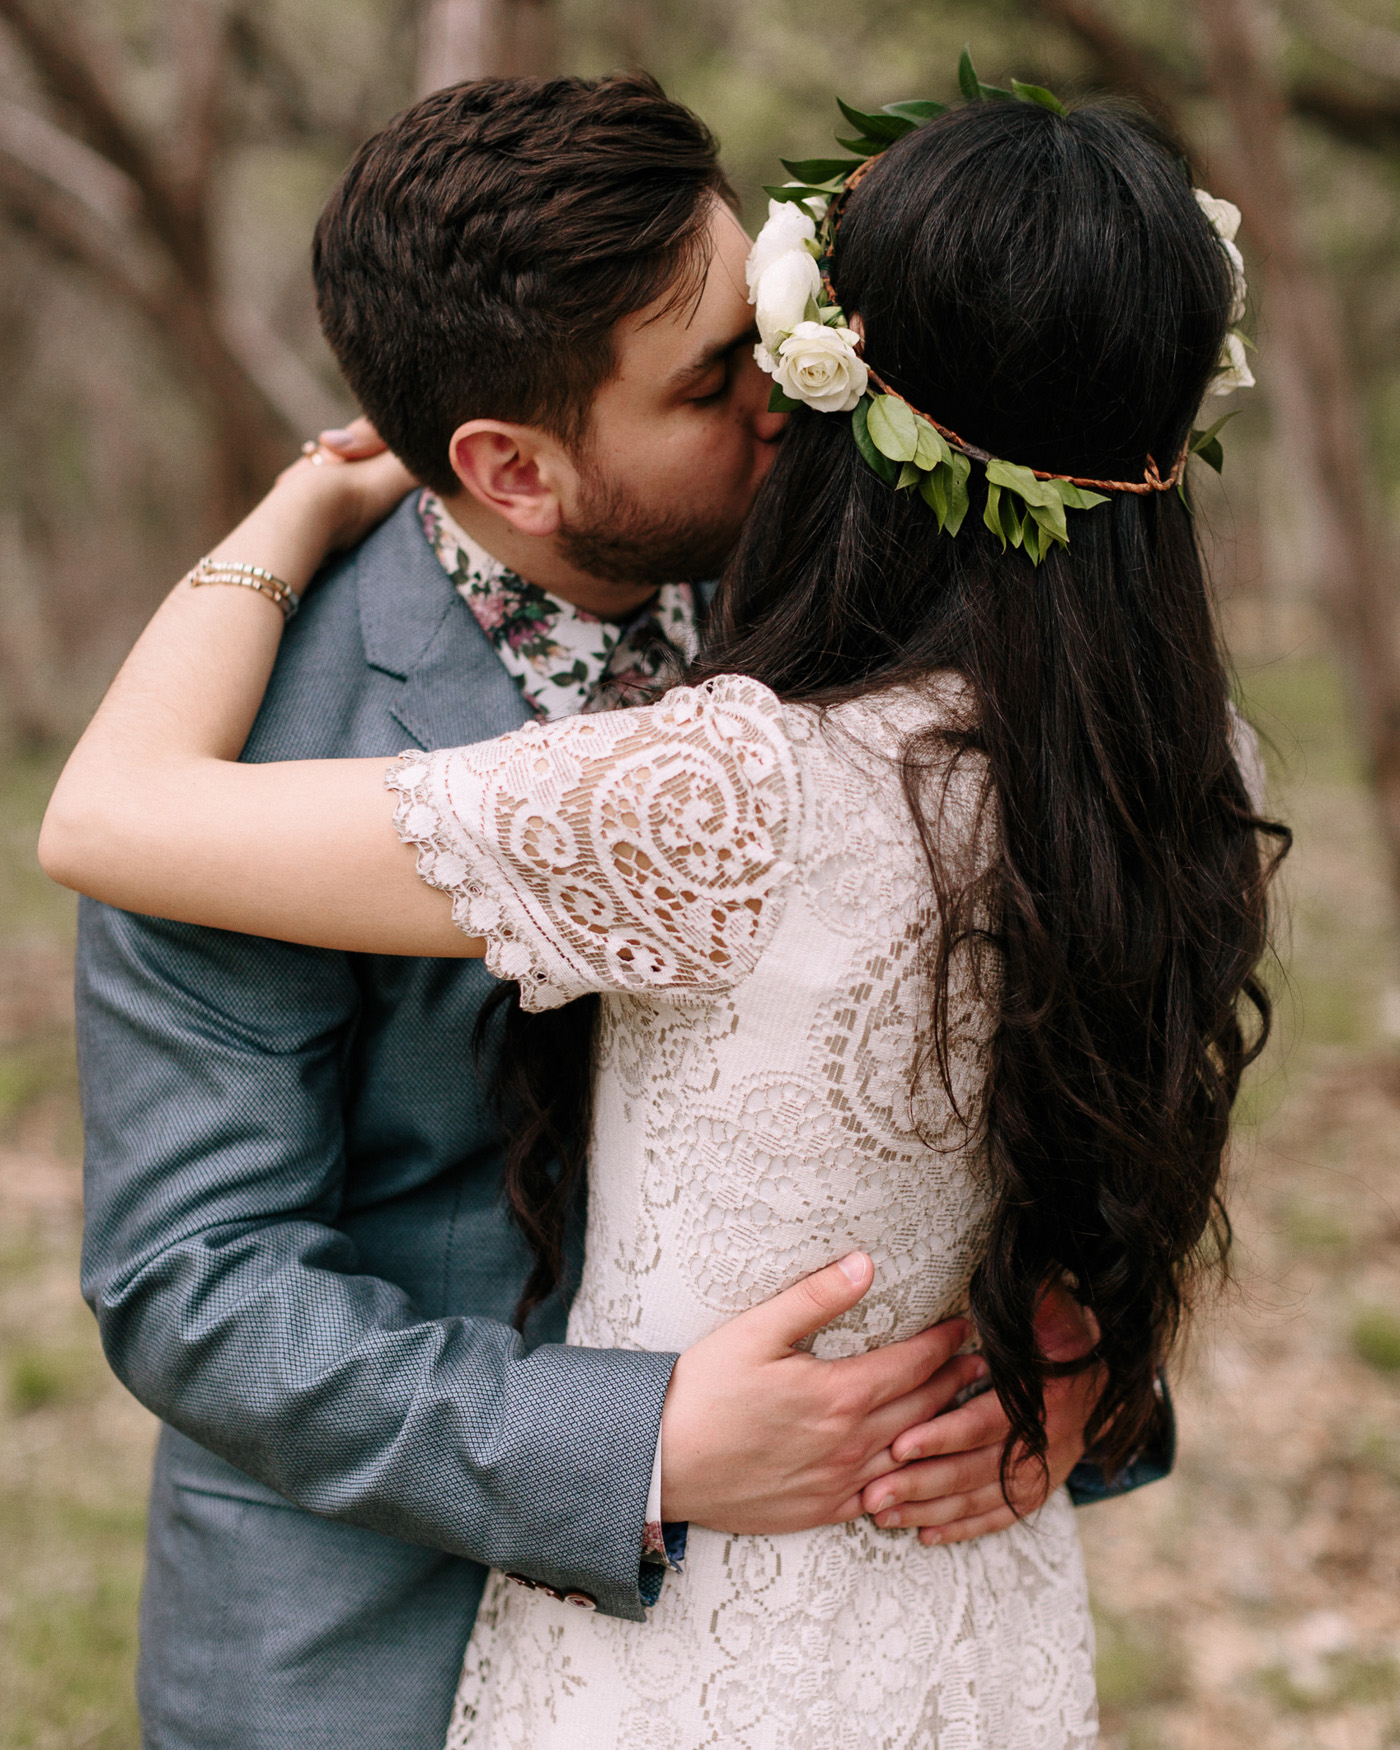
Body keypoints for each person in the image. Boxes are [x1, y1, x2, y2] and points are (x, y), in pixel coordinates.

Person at [63, 73, 1144, 1750]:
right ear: (517, 464)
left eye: (771, 326)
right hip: (379, 1651)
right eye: (716, 382)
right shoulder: (255, 747)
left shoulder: (862, 604)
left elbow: (1071, 977)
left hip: (822, 1629)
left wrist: (1091, 1346)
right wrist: (632, 1442)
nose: (794, 401)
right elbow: (192, 1274)